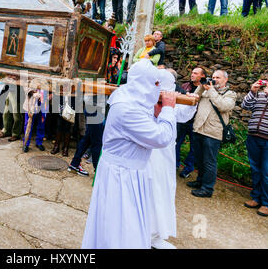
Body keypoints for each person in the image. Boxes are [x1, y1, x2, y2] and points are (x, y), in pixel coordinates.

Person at [81, 59, 177, 249]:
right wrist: (167, 110)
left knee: (124, 225)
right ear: (144, 83)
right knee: (122, 227)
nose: (158, 88)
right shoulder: (128, 108)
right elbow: (161, 137)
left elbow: (145, 121)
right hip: (122, 176)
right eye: (156, 83)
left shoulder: (131, 97)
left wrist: (157, 114)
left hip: (129, 172)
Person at [147, 69, 198, 249]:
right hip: (149, 153)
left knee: (164, 190)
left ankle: (156, 234)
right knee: (149, 190)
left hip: (166, 154)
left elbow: (184, 115)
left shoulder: (172, 100)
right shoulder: (144, 99)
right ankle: (144, 232)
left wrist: (191, 102)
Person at [188, 70, 237, 197]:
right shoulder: (206, 89)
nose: (215, 79)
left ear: (225, 79)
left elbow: (223, 106)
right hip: (199, 128)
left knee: (209, 161)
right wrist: (201, 86)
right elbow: (195, 97)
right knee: (199, 159)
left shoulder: (230, 94)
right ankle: (200, 181)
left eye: (218, 77)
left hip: (213, 132)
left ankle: (207, 188)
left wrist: (211, 90)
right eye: (213, 77)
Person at [241, 71, 268, 217]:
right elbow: (245, 105)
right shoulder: (260, 94)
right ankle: (256, 197)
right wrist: (253, 91)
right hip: (254, 137)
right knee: (256, 169)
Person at [176, 67, 206, 178]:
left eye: (195, 73)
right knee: (177, 143)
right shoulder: (185, 86)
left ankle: (188, 168)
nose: (192, 75)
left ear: (202, 76)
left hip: (196, 121)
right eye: (192, 72)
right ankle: (175, 164)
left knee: (193, 147)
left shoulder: (206, 89)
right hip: (182, 120)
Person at [68, 92, 106, 176]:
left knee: (87, 139)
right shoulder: (96, 80)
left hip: (93, 108)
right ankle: (98, 171)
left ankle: (75, 163)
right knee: (97, 142)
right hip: (95, 108)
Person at [23, 86, 48, 153]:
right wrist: (33, 93)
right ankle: (26, 143)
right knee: (28, 124)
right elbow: (25, 85)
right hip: (31, 103)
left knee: (41, 124)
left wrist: (50, 96)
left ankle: (39, 142)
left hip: (43, 104)